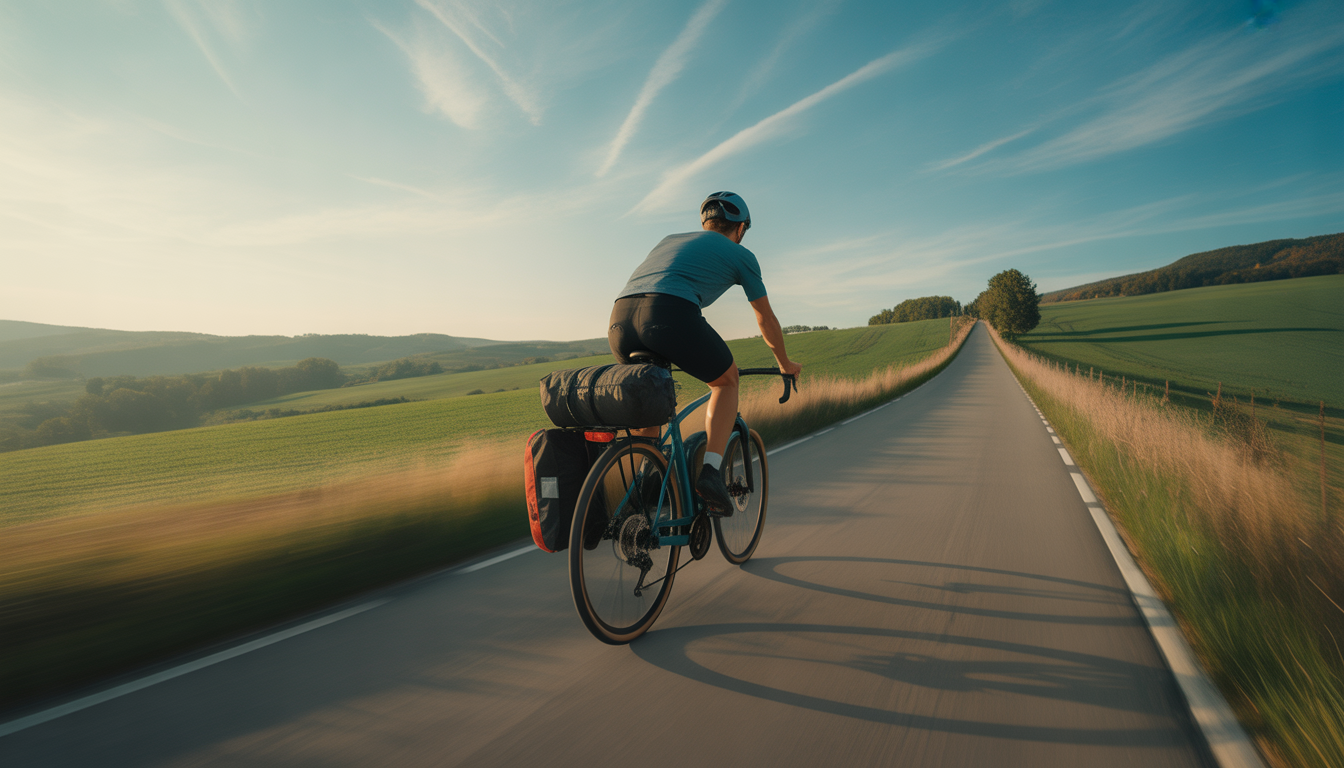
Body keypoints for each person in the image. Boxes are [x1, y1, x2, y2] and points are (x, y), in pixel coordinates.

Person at [608, 191, 803, 516]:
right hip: (667, 314)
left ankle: (642, 491)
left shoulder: (669, 240)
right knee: (726, 381)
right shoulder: (741, 254)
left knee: (651, 407)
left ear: (706, 223)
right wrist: (785, 364)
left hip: (619, 322)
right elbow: (765, 318)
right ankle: (710, 473)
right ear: (740, 228)